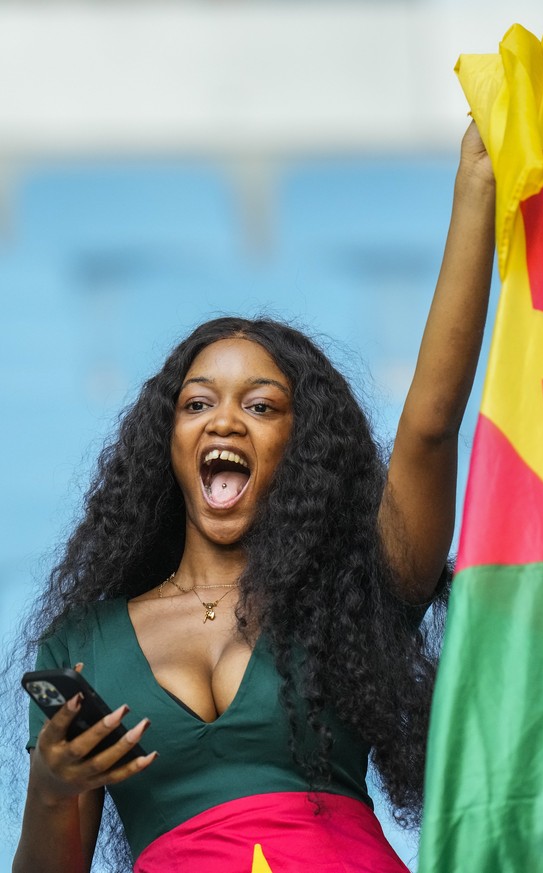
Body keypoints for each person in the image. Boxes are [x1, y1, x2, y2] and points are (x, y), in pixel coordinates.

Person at [12, 120, 495, 873]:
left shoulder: (351, 589)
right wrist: (50, 786)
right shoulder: (85, 646)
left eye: (261, 406)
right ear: (165, 442)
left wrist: (478, 188)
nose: (226, 419)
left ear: (300, 449)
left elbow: (430, 429)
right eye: (198, 403)